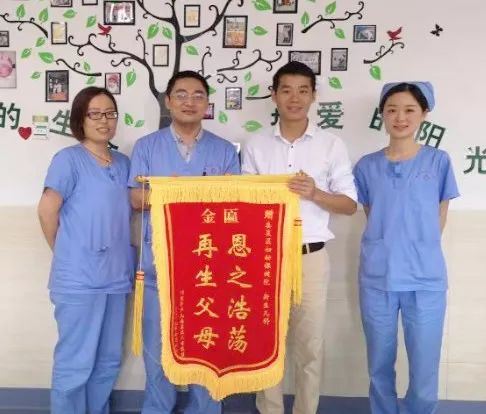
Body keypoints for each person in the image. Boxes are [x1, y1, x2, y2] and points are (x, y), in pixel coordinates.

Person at [241, 61, 357, 414]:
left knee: (310, 347)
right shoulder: (256, 144)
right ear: (273, 95)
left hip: (311, 258)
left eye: (303, 90)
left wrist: (315, 193)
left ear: (313, 96)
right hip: (265, 257)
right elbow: (243, 202)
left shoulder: (331, 145)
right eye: (286, 90)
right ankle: (269, 410)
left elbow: (349, 205)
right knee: (267, 344)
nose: (295, 98)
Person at [128, 70, 240, 414]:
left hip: (209, 273)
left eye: (197, 95)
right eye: (181, 94)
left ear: (207, 104)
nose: (189, 102)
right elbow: (136, 198)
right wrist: (183, 192)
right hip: (158, 270)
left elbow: (233, 206)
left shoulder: (224, 150)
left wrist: (174, 192)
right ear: (168, 101)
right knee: (158, 355)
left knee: (206, 355)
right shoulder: (147, 147)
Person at [353, 82, 459, 414]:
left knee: (425, 366)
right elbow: (372, 214)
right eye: (392, 110)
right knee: (379, 364)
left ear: (424, 114)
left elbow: (440, 216)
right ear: (382, 114)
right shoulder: (366, 166)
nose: (400, 117)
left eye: (410, 110)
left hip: (425, 279)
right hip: (378, 278)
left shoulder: (438, 161)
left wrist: (418, 251)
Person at [37, 86, 133, 414]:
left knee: (108, 361)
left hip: (116, 278)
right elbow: (46, 211)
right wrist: (66, 252)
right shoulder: (68, 160)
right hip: (79, 281)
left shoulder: (123, 163)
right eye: (95, 114)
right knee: (75, 364)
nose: (104, 120)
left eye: (110, 113)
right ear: (80, 119)